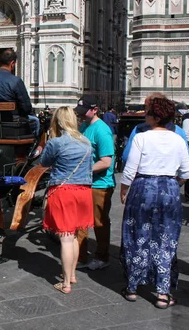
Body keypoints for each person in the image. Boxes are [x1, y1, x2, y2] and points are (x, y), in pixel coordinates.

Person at [119, 97, 189, 308]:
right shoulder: (178, 139)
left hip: (143, 188)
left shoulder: (143, 137)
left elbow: (130, 169)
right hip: (168, 188)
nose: (145, 114)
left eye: (148, 111)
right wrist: (172, 184)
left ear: (156, 116)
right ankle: (162, 293)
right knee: (166, 240)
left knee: (137, 236)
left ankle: (132, 287)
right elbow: (186, 171)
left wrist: (124, 189)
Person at [39, 107, 93, 294]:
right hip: (84, 191)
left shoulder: (56, 142)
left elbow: (43, 163)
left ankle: (66, 284)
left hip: (64, 191)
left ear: (58, 121)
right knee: (76, 236)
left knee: (66, 239)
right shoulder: (86, 141)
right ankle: (72, 276)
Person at [74, 95, 116, 271]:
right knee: (80, 221)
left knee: (99, 222)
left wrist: (83, 170)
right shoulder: (84, 126)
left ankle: (102, 256)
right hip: (84, 182)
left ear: (95, 110)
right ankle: (80, 256)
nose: (81, 116)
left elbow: (106, 161)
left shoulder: (102, 130)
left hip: (100, 184)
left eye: (85, 113)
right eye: (80, 113)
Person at [0, 49, 40, 136]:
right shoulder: (15, 81)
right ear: (12, 63)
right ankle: (32, 148)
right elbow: (26, 108)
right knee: (36, 121)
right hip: (13, 123)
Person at [121, 92, 189, 163]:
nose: (145, 111)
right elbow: (186, 160)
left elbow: (127, 157)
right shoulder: (179, 132)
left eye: (146, 107)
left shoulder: (138, 130)